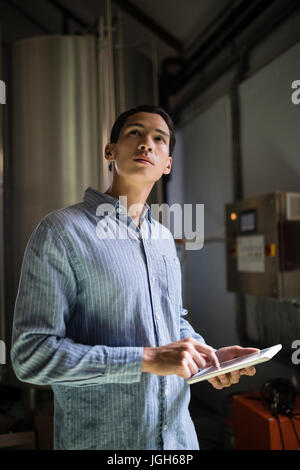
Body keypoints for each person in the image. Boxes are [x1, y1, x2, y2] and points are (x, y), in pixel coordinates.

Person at [11, 105, 258, 450]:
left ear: (167, 164)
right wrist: (145, 359)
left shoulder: (163, 240)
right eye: (134, 133)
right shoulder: (61, 232)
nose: (146, 144)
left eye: (159, 139)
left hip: (178, 443)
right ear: (109, 152)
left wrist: (207, 359)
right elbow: (31, 357)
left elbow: (173, 321)